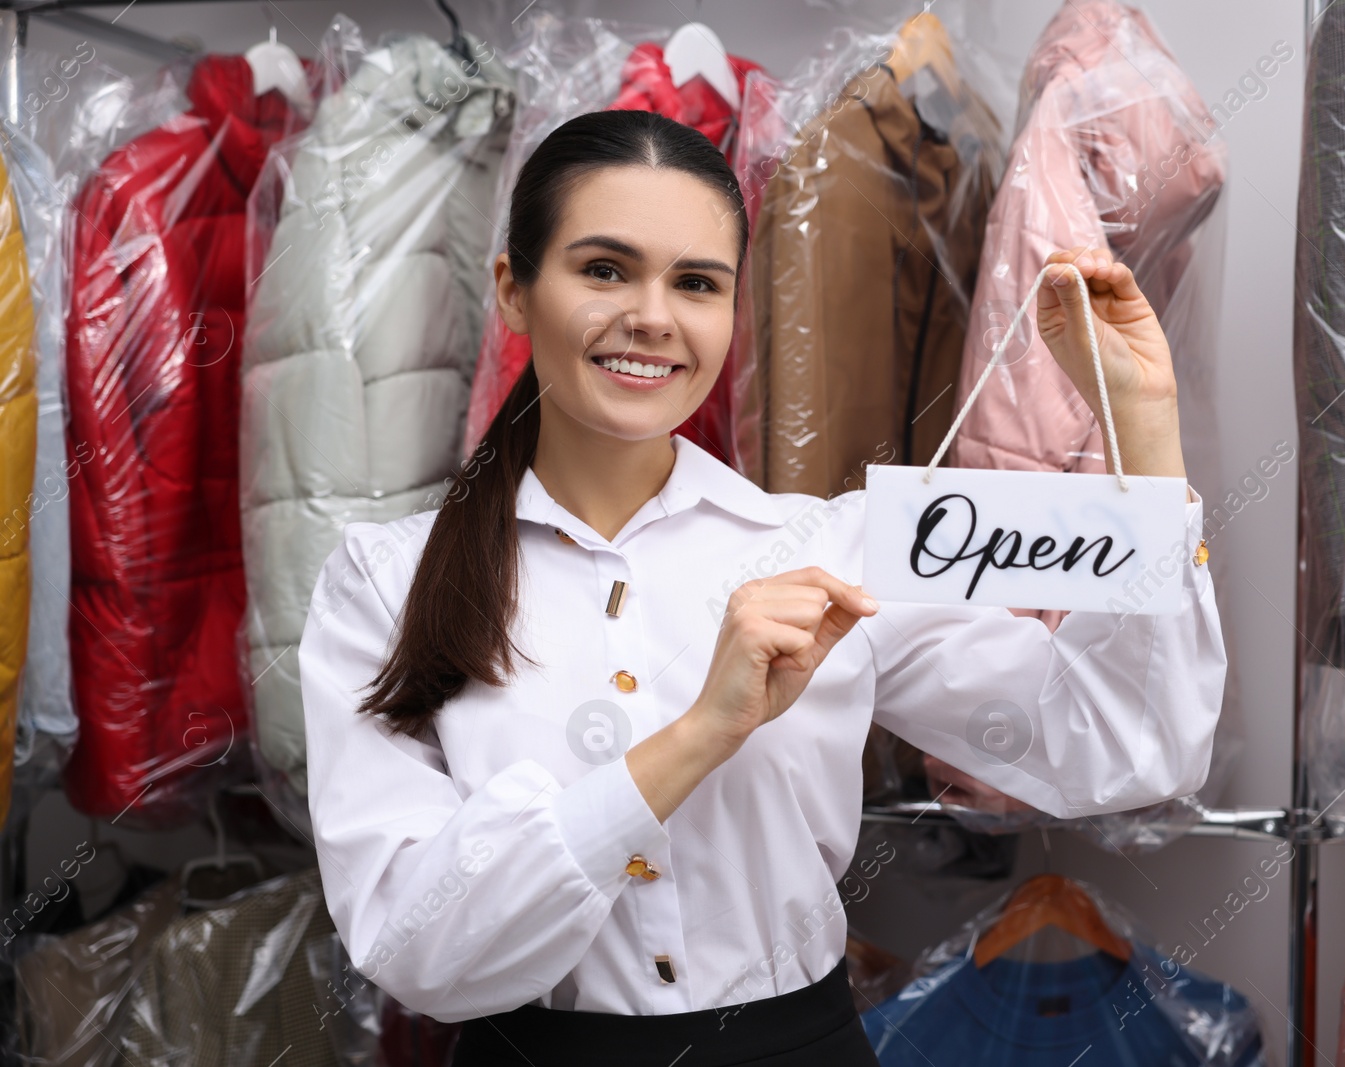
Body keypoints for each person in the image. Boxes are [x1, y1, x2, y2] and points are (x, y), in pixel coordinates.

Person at [299, 109, 1225, 1066]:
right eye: (605, 269)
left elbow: (1130, 745)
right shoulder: (384, 582)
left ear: (733, 312)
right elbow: (415, 946)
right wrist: (700, 734)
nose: (653, 315)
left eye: (696, 283)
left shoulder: (833, 549)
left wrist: (1144, 433)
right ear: (515, 290)